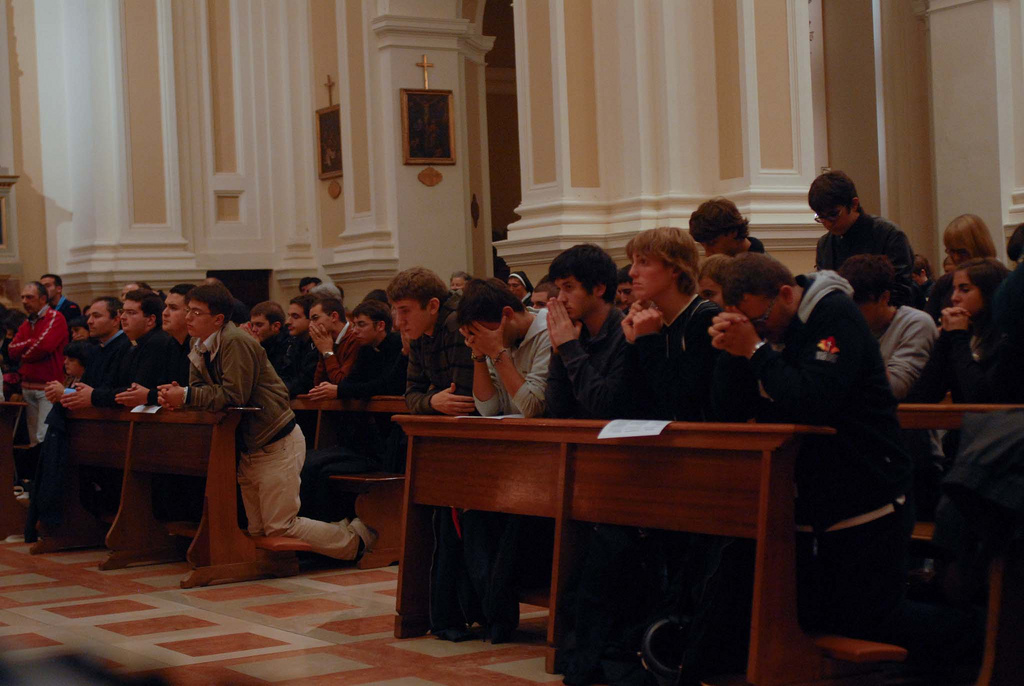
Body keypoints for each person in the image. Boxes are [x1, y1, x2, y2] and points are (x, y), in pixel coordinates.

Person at [708, 253, 918, 671]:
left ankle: (982, 643)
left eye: (762, 318)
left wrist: (755, 349)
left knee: (874, 623)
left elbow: (812, 401)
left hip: (868, 490)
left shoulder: (833, 312)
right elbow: (725, 410)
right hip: (809, 498)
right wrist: (732, 351)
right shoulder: (766, 331)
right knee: (816, 617)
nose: (763, 329)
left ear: (786, 293)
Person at [156, 283, 374, 559]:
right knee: (259, 530)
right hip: (249, 444)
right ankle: (316, 545)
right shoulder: (197, 343)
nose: (188, 317)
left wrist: (186, 395)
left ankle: (356, 539)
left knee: (280, 526)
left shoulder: (235, 340)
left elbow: (234, 394)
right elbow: (200, 385)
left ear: (218, 319)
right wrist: (178, 396)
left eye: (196, 312)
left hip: (275, 439)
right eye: (188, 311)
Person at [302, 299, 409, 520]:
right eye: (354, 324)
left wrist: (340, 390)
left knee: (322, 471)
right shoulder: (366, 349)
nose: (355, 330)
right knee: (309, 463)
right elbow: (349, 382)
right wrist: (326, 354)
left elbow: (387, 384)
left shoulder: (396, 345)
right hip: (363, 436)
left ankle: (332, 529)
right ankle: (312, 533)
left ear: (380, 326)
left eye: (361, 325)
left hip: (385, 442)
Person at [623, 227, 723, 421]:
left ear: (676, 268)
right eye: (633, 262)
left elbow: (682, 402)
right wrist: (633, 343)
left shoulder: (705, 317)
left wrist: (648, 339)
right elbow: (629, 405)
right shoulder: (650, 321)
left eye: (643, 262)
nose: (632, 272)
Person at [907, 257, 1011, 404]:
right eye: (954, 289)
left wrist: (958, 337)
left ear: (989, 293)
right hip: (962, 425)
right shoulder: (961, 332)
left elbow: (981, 400)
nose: (954, 298)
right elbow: (923, 396)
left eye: (964, 289)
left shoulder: (1008, 340)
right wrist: (945, 339)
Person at [545, 244, 629, 419]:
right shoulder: (574, 331)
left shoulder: (626, 333)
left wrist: (569, 348)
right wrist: (558, 354)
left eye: (568, 287)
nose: (561, 298)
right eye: (559, 288)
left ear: (599, 288)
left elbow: (605, 407)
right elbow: (556, 410)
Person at [838, 255, 938, 400]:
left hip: (906, 418)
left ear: (884, 297)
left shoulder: (916, 323)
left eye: (859, 306)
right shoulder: (844, 325)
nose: (851, 313)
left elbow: (895, 388)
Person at [809, 170, 915, 306]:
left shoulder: (889, 235)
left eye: (833, 214)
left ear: (854, 204)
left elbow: (901, 292)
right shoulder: (825, 244)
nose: (828, 223)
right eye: (821, 217)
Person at [459, 278, 551, 419]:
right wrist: (478, 355)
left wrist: (497, 353)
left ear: (507, 314)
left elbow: (533, 408)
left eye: (485, 332)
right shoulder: (497, 336)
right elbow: (488, 410)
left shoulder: (549, 332)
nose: (484, 339)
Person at [387, 267, 474, 415]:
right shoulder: (420, 330)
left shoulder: (457, 324)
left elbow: (461, 400)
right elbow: (411, 394)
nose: (398, 322)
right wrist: (432, 401)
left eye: (405, 310)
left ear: (433, 306)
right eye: (396, 311)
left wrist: (429, 395)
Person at [8, 282, 68, 446]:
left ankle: (47, 472)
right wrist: (30, 344)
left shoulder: (55, 318)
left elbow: (44, 346)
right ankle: (37, 472)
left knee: (45, 437)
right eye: (22, 297)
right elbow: (11, 349)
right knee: (34, 439)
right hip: (28, 386)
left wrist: (25, 352)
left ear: (43, 298)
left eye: (29, 297)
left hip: (47, 388)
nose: (25, 301)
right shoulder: (27, 323)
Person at [55, 297, 132, 410]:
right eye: (89, 316)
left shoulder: (127, 347)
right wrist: (64, 393)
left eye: (96, 316)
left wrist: (65, 392)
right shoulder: (97, 349)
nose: (89, 321)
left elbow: (113, 389)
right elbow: (86, 387)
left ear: (116, 320)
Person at [925, 214, 998, 324]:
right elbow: (928, 324)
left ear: (979, 246)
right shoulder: (944, 283)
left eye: (962, 252)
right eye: (951, 251)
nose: (956, 258)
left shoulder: (1001, 279)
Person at [688, 197, 765, 256]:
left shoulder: (765, 271)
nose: (707, 254)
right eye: (703, 245)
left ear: (733, 232)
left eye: (712, 243)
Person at [309, 296, 361, 385]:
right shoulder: (326, 340)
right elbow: (318, 385)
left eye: (315, 318)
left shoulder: (355, 338)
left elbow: (342, 383)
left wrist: (327, 352)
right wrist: (323, 351)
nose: (310, 325)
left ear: (334, 316)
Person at [280, 295, 319, 397]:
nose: (288, 322)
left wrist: (278, 391)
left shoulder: (319, 344)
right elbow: (285, 374)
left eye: (295, 316)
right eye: (289, 316)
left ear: (311, 318)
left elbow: (306, 382)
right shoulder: (292, 343)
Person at [245, 301, 290, 379]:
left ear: (276, 326)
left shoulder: (288, 345)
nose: (253, 329)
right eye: (252, 325)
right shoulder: (265, 341)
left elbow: (273, 378)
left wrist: (257, 348)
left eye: (259, 325)